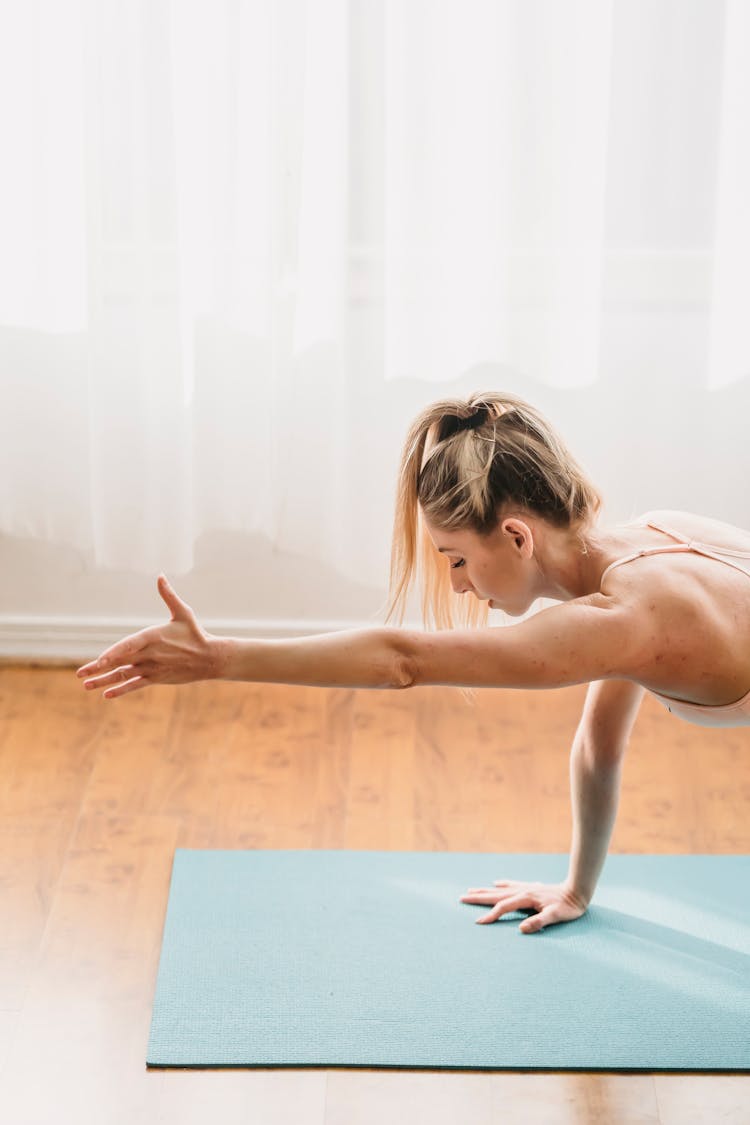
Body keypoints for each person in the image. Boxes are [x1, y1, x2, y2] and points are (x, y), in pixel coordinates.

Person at [75, 392, 750, 935]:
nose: (457, 585)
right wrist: (576, 889)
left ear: (516, 535)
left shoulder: (623, 619)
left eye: (455, 558)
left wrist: (220, 657)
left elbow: (402, 660)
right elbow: (598, 749)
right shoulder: (655, 538)